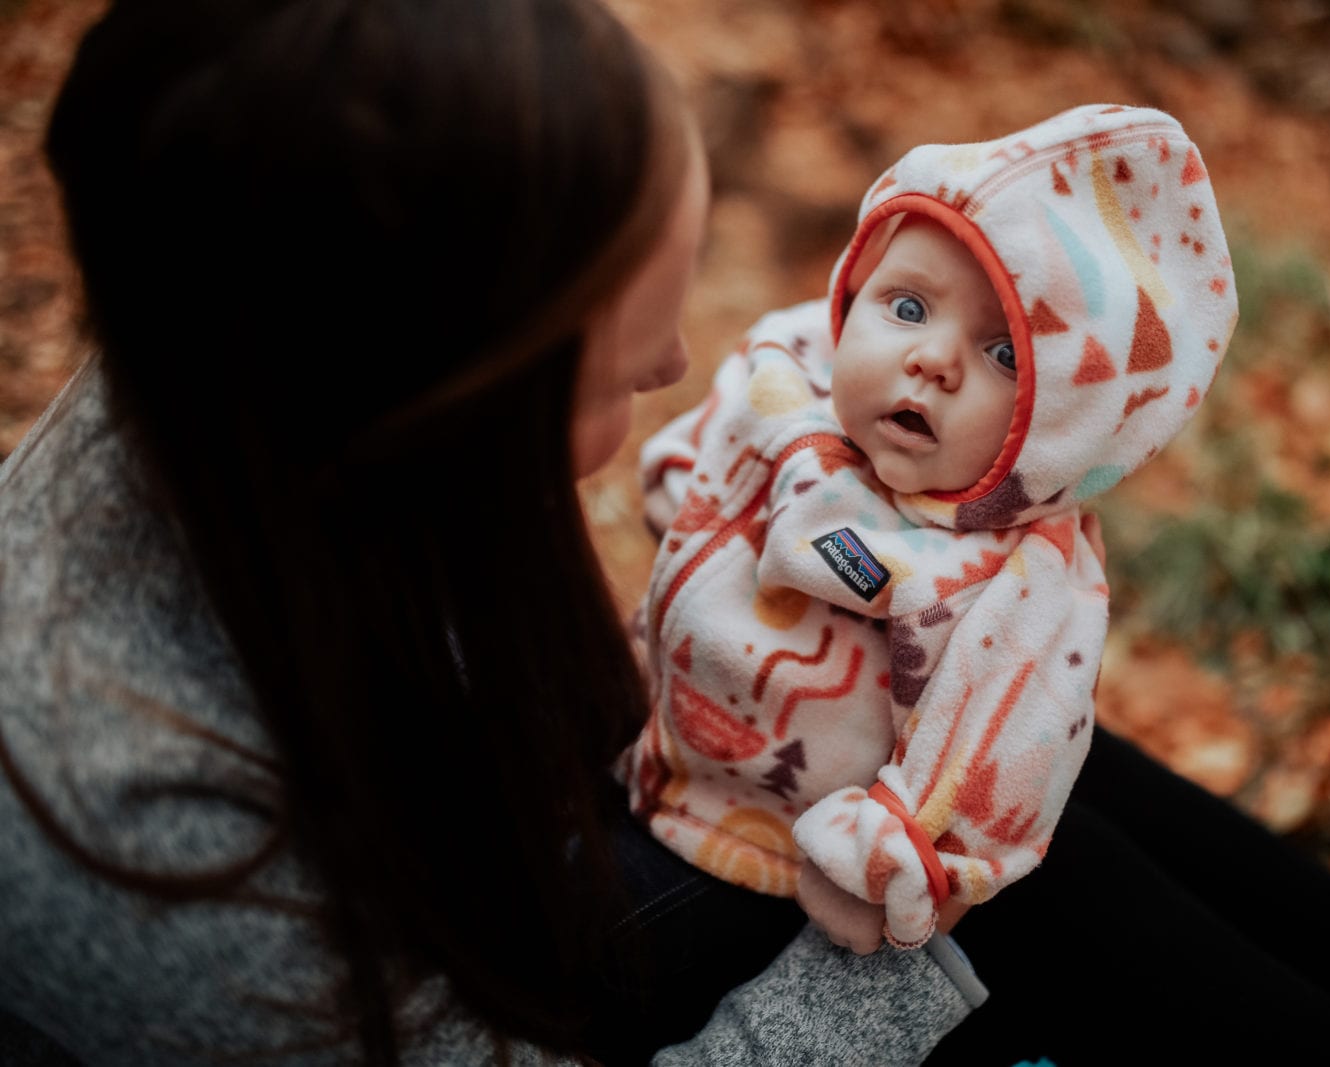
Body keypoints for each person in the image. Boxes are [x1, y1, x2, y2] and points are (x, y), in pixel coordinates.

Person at [0, 0, 986, 1063]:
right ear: (432, 423)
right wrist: (876, 979)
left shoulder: (250, 294)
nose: (675, 370)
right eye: (619, 370)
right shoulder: (158, 852)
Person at [622, 103, 1236, 953]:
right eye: (907, 307)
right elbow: (714, 438)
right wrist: (682, 491)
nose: (933, 358)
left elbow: (1001, 757)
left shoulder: (1014, 581)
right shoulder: (791, 370)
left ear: (1061, 428)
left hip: (776, 869)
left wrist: (908, 856)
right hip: (651, 737)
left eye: (1004, 355)